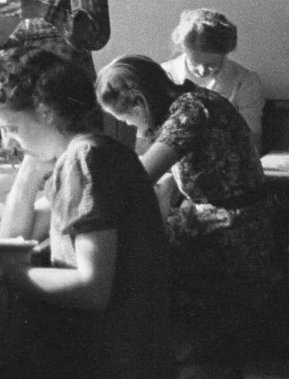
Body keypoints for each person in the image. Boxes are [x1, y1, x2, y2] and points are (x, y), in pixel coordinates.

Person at [0, 47, 173, 379]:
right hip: (115, 360)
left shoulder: (87, 161)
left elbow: (92, 289)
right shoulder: (88, 153)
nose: (7, 140)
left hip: (110, 374)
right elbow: (13, 237)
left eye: (11, 128)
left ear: (46, 112)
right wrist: (29, 166)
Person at [95, 54, 276, 321]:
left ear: (139, 102)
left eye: (126, 119)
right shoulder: (191, 100)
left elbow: (140, 177)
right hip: (225, 218)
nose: (129, 125)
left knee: (128, 264)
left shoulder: (190, 112)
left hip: (235, 228)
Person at [160, 8, 266, 154]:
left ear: (225, 53)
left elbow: (251, 141)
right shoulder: (164, 75)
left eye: (212, 65)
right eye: (195, 62)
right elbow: (148, 136)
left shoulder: (245, 81)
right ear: (183, 49)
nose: (203, 71)